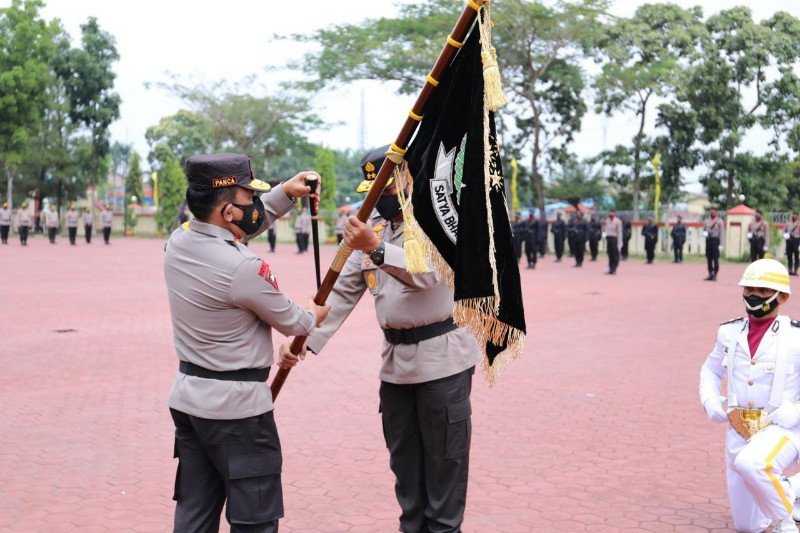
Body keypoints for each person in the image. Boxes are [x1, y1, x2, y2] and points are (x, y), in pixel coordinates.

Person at [305, 147, 481, 533]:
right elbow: (339, 294)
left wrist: (376, 248)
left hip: (442, 363)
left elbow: (428, 274)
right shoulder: (375, 231)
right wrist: (302, 338)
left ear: (407, 179)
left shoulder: (440, 220)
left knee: (444, 468)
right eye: (372, 188)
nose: (378, 196)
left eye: (384, 186)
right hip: (396, 367)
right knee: (406, 470)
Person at [164, 153, 329, 533]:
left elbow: (236, 231)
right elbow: (296, 322)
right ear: (227, 212)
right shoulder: (243, 268)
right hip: (238, 414)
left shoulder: (179, 242)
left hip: (190, 400)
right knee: (254, 519)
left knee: (195, 514)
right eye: (248, 199)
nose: (256, 205)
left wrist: (285, 193)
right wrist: (314, 313)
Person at [699, 259, 800, 533]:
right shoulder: (729, 332)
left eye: (764, 292)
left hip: (781, 427)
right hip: (739, 430)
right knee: (747, 526)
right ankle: (791, 487)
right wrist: (710, 401)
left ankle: (786, 522)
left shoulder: (796, 337)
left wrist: (796, 411)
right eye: (750, 289)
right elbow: (710, 369)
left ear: (783, 297)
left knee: (753, 463)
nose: (755, 296)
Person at [704, 208, 723, 281]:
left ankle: (715, 273)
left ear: (716, 212)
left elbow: (721, 233)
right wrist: (705, 234)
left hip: (715, 241)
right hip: (708, 240)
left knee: (715, 258)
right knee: (709, 258)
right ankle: (710, 273)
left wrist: (721, 244)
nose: (712, 212)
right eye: (711, 211)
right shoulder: (706, 220)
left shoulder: (719, 221)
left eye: (714, 211)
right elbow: (704, 230)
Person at [603, 209, 623, 275]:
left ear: (614, 213)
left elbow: (619, 232)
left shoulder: (618, 221)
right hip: (608, 238)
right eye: (610, 212)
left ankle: (614, 269)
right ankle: (610, 269)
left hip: (615, 238)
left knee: (615, 255)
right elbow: (604, 230)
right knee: (610, 254)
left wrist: (620, 242)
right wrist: (603, 237)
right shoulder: (607, 220)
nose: (610, 214)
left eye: (612, 213)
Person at [786, 213, 800, 277]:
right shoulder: (788, 223)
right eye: (793, 214)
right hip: (789, 240)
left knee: (796, 256)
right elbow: (785, 231)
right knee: (789, 256)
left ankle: (795, 270)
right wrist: (786, 235)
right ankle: (790, 270)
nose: (794, 216)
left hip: (796, 240)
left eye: (795, 214)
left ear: (797, 216)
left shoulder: (799, 223)